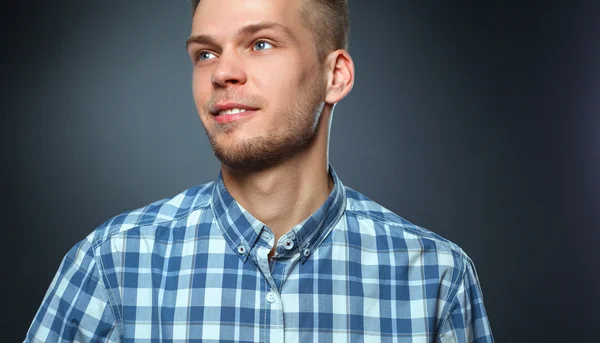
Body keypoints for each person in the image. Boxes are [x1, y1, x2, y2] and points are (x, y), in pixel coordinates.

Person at [25, 0, 494, 341]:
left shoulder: (435, 277)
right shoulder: (113, 264)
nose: (222, 72)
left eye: (260, 43)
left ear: (336, 76)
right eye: (205, 53)